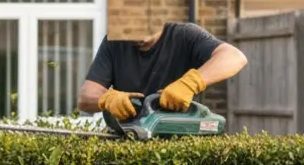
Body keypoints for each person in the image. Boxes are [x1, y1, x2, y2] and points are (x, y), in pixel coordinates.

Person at [77, 21, 248, 120]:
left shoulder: (185, 35)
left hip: (181, 141)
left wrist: (190, 84)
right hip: (128, 141)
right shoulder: (114, 42)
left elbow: (234, 57)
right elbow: (85, 97)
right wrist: (107, 99)